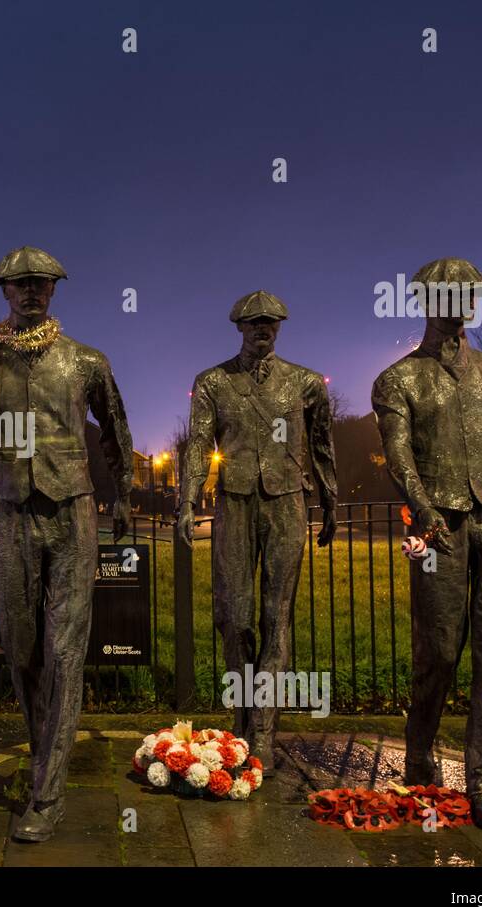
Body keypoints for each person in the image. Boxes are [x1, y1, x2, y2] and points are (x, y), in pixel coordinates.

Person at [0, 245, 133, 843]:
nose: (31, 290)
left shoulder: (86, 362)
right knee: (20, 647)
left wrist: (125, 493)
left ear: (55, 290)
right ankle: (41, 754)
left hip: (72, 514)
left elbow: (117, 431)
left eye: (42, 283)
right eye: (21, 283)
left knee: (66, 651)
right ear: (4, 289)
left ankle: (47, 791)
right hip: (7, 515)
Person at [371, 257, 482, 829]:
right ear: (426, 299)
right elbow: (399, 456)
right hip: (439, 527)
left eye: (469, 291)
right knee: (439, 649)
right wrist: (423, 508)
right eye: (450, 291)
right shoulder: (398, 380)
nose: (463, 300)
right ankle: (419, 752)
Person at [177, 291, 338, 775]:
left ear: (280, 326)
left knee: (277, 616)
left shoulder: (306, 383)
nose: (262, 328)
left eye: (270, 321)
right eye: (253, 322)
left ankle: (263, 727)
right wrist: (185, 500)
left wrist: (330, 499)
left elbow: (323, 445)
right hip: (235, 500)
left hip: (287, 501)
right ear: (239, 326)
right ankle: (240, 715)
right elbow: (197, 446)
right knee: (235, 616)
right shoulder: (213, 383)